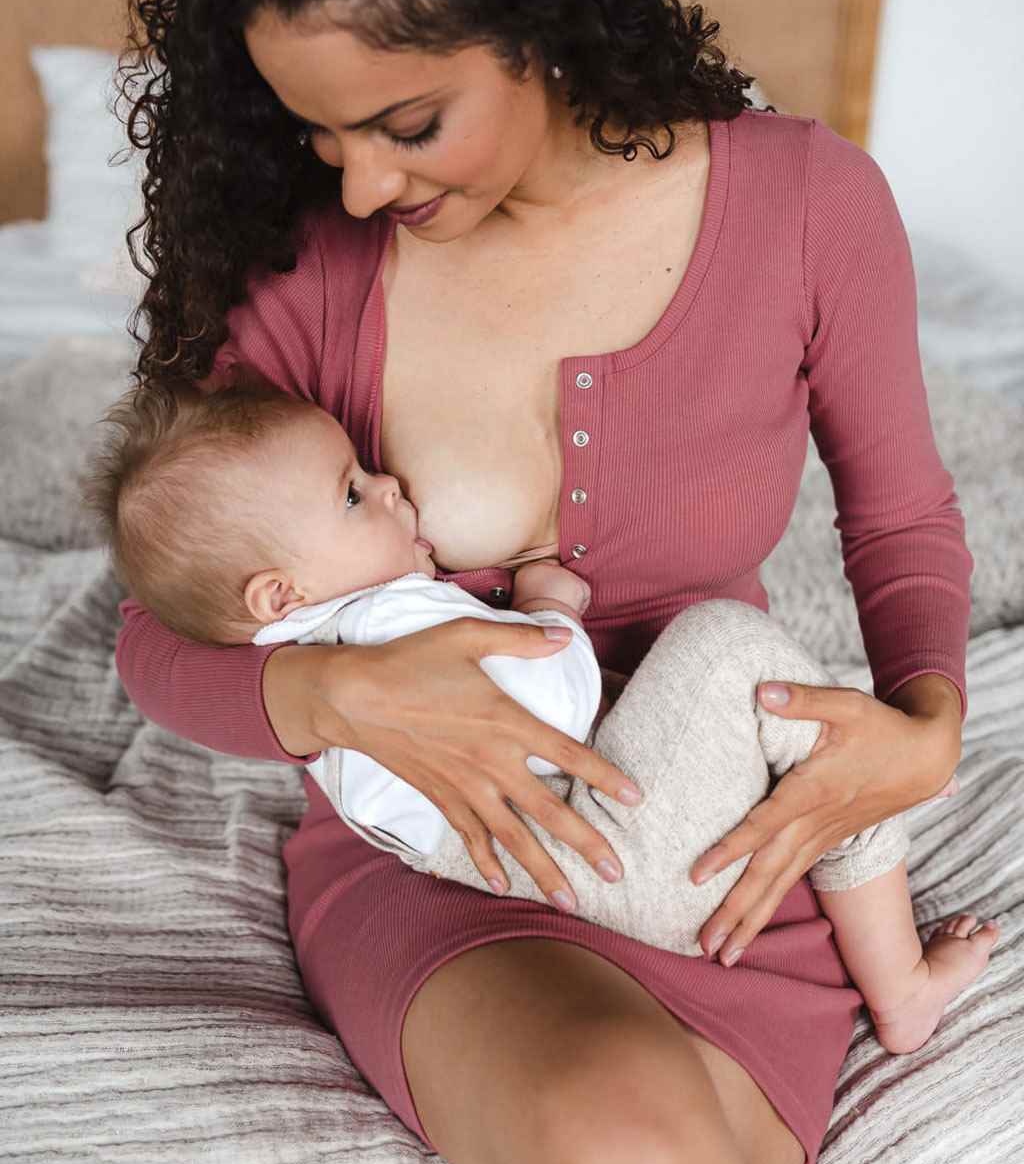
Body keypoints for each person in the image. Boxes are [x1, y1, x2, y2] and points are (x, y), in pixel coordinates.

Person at [110, 0, 989, 1164]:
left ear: (539, 15)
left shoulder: (805, 204)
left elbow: (903, 519)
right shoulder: (310, 268)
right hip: (450, 867)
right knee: (620, 1136)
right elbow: (157, 642)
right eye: (319, 133)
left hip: (725, 849)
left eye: (406, 125)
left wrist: (928, 726)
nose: (361, 185)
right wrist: (336, 695)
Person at [88, 374, 994, 1060]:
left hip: (563, 885)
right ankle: (901, 980)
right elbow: (554, 706)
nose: (391, 486)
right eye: (353, 494)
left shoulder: (313, 650)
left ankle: (875, 789)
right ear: (280, 591)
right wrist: (546, 606)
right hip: (615, 853)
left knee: (758, 705)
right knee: (735, 652)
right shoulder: (388, 623)